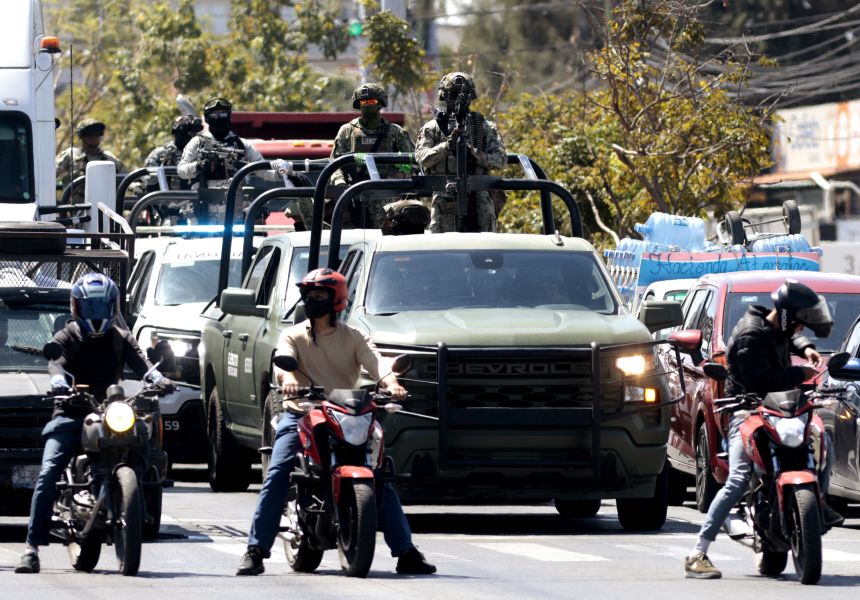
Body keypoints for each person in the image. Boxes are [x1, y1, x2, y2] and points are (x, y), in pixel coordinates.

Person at [236, 268, 436, 577]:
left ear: (336, 301)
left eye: (319, 295)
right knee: (277, 473)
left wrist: (392, 383)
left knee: (380, 476)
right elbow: (282, 362)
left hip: (347, 415)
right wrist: (289, 379)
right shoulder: (293, 335)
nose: (311, 300)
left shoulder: (353, 336)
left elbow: (377, 363)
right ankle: (255, 550)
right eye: (308, 295)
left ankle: (406, 551)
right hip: (302, 413)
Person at [684, 279, 842, 579]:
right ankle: (698, 553)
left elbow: (788, 339)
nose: (800, 329)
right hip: (746, 411)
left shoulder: (773, 328)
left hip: (781, 407)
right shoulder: (749, 336)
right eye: (800, 323)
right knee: (738, 479)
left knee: (821, 436)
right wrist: (799, 372)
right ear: (788, 317)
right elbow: (762, 380)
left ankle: (818, 501)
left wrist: (807, 348)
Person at [15, 274, 171, 574]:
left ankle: (138, 500)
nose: (96, 314)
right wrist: (58, 381)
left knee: (142, 437)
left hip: (111, 411)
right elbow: (56, 362)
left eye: (102, 307)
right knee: (48, 472)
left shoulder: (120, 337)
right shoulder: (66, 335)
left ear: (112, 307)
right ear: (77, 307)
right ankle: (31, 549)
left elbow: (142, 364)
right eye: (91, 307)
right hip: (72, 411)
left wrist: (158, 378)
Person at [414, 72, 506, 233]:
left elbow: (500, 160)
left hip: (478, 196)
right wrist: (446, 146)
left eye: (465, 95)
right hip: (444, 197)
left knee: (484, 244)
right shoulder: (433, 128)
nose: (460, 99)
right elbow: (422, 158)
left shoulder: (483, 126)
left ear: (471, 96)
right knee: (443, 245)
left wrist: (475, 155)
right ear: (444, 95)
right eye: (454, 94)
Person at [323, 83, 415, 229]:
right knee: (352, 236)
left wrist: (401, 175)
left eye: (371, 101)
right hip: (353, 194)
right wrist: (340, 183)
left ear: (380, 103)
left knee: (383, 235)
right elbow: (335, 162)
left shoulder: (394, 131)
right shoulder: (347, 131)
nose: (366, 105)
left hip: (384, 196)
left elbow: (413, 159)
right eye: (363, 102)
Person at [176, 97, 267, 184]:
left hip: (235, 193)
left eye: (223, 114)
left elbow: (263, 169)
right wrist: (198, 166)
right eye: (214, 115)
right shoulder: (197, 142)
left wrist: (277, 169)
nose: (219, 117)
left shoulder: (241, 144)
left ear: (229, 116)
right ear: (207, 119)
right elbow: (181, 170)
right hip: (204, 193)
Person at [56, 118, 126, 204]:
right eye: (90, 134)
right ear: (82, 136)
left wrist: (136, 186)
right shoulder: (71, 155)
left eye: (97, 134)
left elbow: (126, 179)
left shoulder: (109, 159)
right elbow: (49, 176)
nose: (94, 137)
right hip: (75, 208)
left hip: (104, 207)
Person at [143, 115, 205, 189]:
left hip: (198, 195)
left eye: (195, 133)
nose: (193, 136)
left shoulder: (202, 153)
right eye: (190, 133)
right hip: (168, 195)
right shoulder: (160, 154)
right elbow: (149, 183)